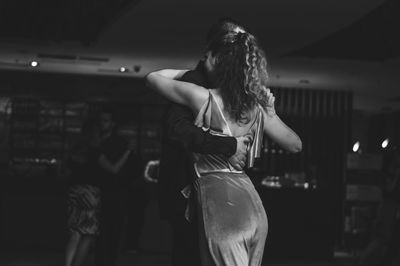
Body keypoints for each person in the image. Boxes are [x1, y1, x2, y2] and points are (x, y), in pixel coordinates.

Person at [146, 29, 302, 265]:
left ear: (223, 66)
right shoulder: (257, 108)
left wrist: (188, 73)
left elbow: (153, 78)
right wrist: (272, 114)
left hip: (221, 206)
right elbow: (295, 145)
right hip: (253, 206)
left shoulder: (202, 97)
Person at [157, 18, 253, 266]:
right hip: (186, 192)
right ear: (214, 51)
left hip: (207, 194)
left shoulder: (223, 86)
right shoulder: (193, 81)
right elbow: (177, 131)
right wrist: (230, 146)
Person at [94, 107, 135, 266]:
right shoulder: (96, 141)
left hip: (115, 193)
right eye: (100, 121)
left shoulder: (120, 143)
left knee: (113, 230)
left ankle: (109, 261)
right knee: (98, 232)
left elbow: (126, 170)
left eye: (105, 120)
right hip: (97, 190)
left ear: (113, 123)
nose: (101, 124)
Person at [65, 119, 102, 266]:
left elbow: (66, 170)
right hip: (90, 194)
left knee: (74, 234)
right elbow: (112, 169)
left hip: (74, 192)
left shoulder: (75, 149)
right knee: (88, 234)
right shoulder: (96, 151)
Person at [360, 147, 400, 266]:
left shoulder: (393, 171)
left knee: (386, 238)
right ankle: (365, 260)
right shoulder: (391, 171)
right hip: (388, 205)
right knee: (382, 237)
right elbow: (389, 190)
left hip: (391, 206)